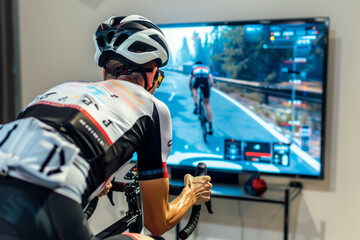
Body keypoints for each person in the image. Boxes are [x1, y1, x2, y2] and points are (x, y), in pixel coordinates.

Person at [0, 15, 212, 240]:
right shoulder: (153, 107)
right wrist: (191, 192)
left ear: (105, 73)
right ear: (150, 71)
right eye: (158, 78)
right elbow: (157, 222)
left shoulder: (64, 88)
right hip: (47, 202)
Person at [189, 61, 214, 134]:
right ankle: (210, 126)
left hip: (197, 80)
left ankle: (196, 105)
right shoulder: (206, 67)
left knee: (194, 88)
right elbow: (211, 82)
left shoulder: (194, 67)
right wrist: (210, 86)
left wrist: (191, 88)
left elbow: (190, 81)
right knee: (207, 104)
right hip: (205, 82)